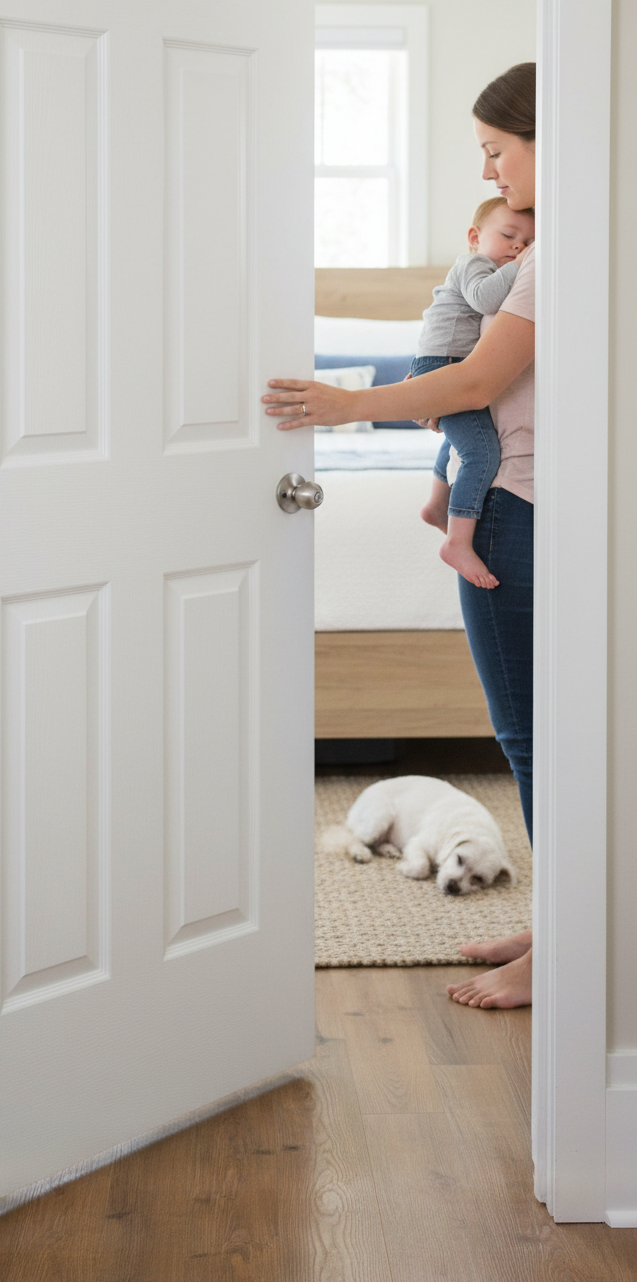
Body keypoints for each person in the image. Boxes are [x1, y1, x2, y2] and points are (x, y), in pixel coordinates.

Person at [262, 59, 537, 1011]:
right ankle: (564, 928)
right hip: (528, 500)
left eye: (499, 154)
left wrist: (345, 406)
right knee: (541, 735)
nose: (496, 176)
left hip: (521, 510)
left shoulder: (547, 253)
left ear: (546, 139)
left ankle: (562, 953)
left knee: (532, 737)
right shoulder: (528, 258)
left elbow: (465, 386)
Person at [412, 195, 534, 589]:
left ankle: (436, 505)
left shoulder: (486, 263)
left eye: (527, 241)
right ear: (474, 237)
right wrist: (520, 267)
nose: (518, 246)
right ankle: (457, 541)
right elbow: (485, 298)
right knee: (482, 452)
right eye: (509, 235)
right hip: (445, 365)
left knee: (468, 435)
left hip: (450, 364)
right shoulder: (472, 265)